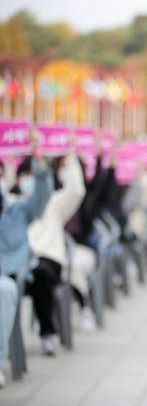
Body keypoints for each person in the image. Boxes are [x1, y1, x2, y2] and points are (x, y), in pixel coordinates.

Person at [0, 130, 53, 384]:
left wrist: (37, 157)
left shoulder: (17, 209)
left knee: (7, 289)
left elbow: (41, 197)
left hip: (14, 274)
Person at [27, 135, 86, 356]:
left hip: (48, 260)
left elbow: (76, 191)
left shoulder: (54, 203)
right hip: (20, 260)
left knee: (40, 275)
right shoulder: (16, 204)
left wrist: (69, 156)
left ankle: (47, 333)